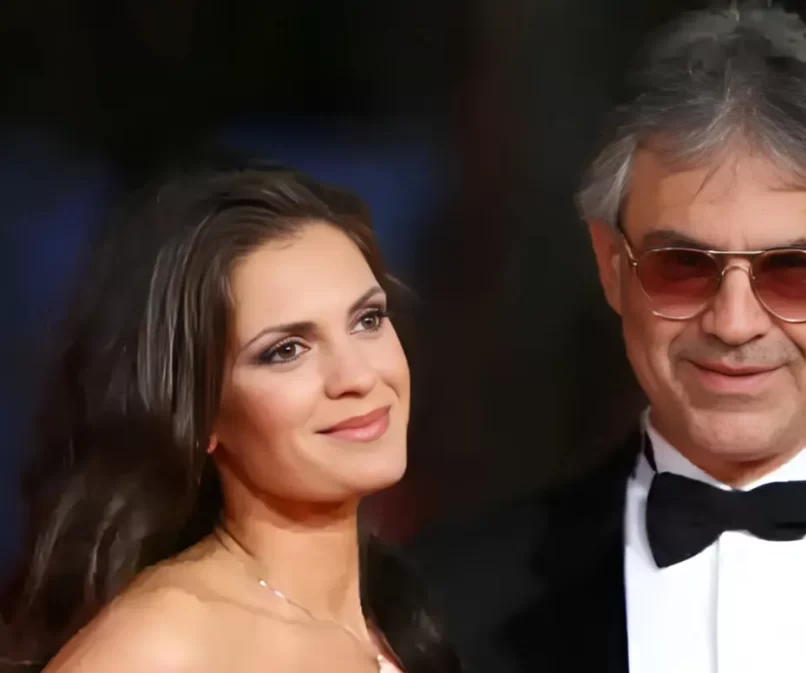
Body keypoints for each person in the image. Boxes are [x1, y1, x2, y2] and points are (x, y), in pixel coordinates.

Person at [404, 7, 806, 673]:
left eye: (794, 270)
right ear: (612, 266)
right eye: (682, 266)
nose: (734, 323)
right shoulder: (446, 599)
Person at [0, 166, 461, 673]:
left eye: (368, 320)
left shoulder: (400, 613)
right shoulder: (162, 647)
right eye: (286, 351)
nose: (356, 376)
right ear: (201, 415)